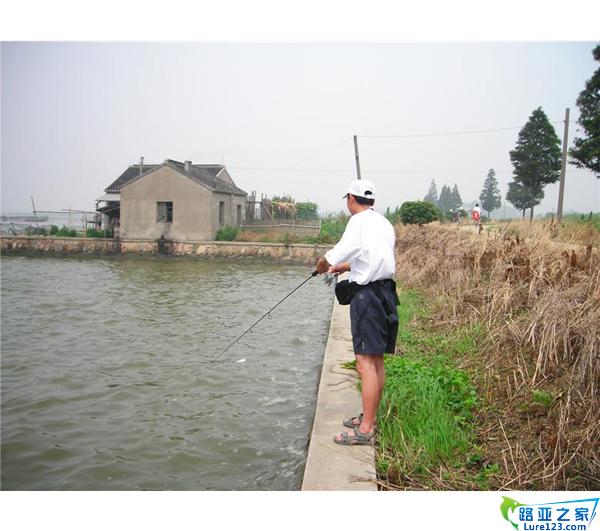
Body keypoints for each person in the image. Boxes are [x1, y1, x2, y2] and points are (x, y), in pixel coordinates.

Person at [315, 179, 398, 446]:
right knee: (376, 360)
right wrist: (346, 267)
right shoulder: (383, 223)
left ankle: (365, 430)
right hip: (386, 294)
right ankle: (369, 418)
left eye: (347, 199)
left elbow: (331, 257)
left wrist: (322, 266)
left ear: (351, 199)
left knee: (364, 364)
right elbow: (374, 257)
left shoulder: (358, 222)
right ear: (372, 200)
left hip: (368, 298)